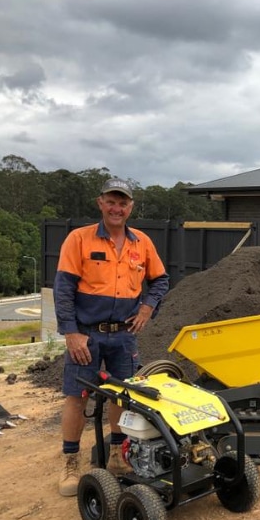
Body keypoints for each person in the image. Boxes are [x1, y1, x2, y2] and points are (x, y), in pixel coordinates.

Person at [53, 178, 169, 496]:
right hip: (86, 337)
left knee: (122, 396)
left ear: (130, 208)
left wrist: (147, 308)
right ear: (100, 203)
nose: (117, 208)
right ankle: (71, 463)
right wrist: (72, 333)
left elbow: (160, 280)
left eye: (123, 203)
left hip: (123, 336)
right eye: (111, 202)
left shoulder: (141, 243)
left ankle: (118, 455)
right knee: (77, 397)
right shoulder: (79, 240)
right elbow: (63, 290)